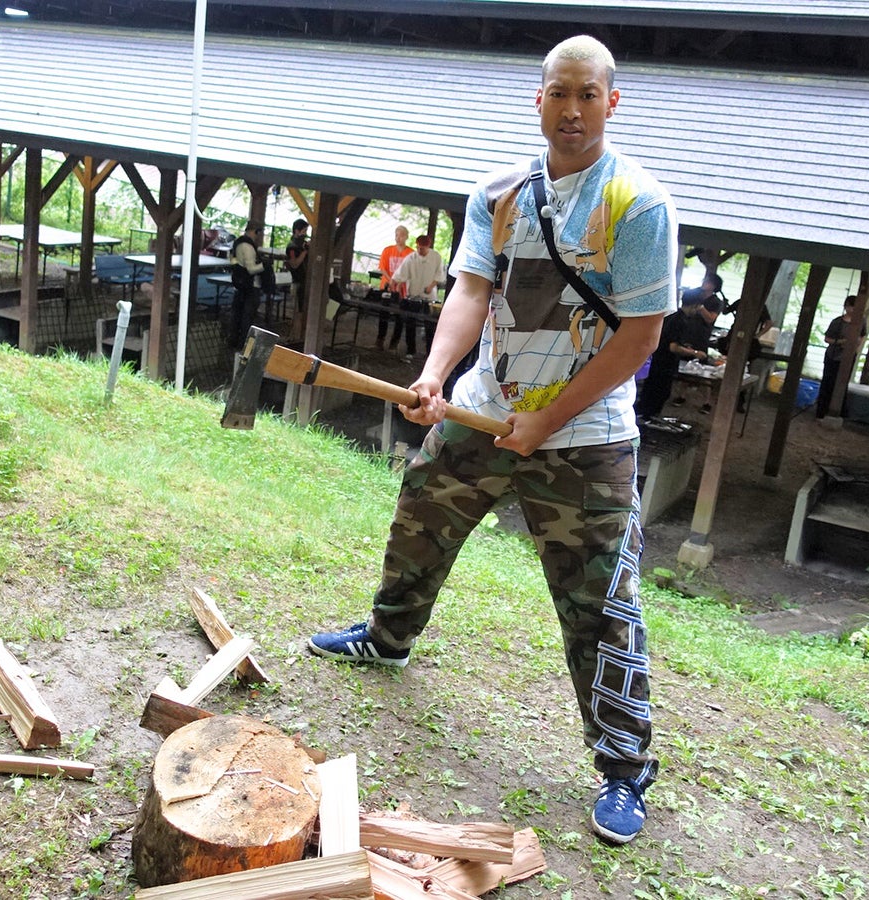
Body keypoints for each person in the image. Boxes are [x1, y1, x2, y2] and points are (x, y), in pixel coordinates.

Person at [308, 34, 675, 847]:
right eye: (558, 93)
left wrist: (548, 420)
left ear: (612, 103)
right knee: (420, 521)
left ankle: (623, 765)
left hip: (585, 436)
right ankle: (390, 636)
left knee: (602, 603)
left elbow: (640, 337)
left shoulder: (638, 204)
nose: (571, 110)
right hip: (483, 409)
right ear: (537, 98)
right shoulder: (499, 192)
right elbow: (472, 289)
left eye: (588, 95)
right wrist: (438, 374)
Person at [634, 287, 720, 420]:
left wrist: (685, 347)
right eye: (698, 307)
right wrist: (695, 353)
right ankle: (647, 421)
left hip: (656, 361)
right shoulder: (680, 321)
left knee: (650, 393)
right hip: (664, 363)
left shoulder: (672, 315)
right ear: (695, 306)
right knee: (658, 395)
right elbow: (673, 347)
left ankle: (646, 419)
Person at [384, 234, 445, 359]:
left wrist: (431, 285)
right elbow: (401, 273)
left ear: (428, 246)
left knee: (430, 326)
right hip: (414, 295)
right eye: (418, 248)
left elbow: (440, 275)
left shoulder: (436, 257)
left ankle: (430, 353)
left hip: (430, 297)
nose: (419, 251)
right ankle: (410, 350)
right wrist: (393, 282)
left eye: (422, 248)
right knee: (410, 323)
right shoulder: (411, 258)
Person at [816, 294, 863, 419]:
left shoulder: (861, 322)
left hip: (848, 357)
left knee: (842, 384)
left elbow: (862, 336)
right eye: (850, 306)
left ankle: (840, 412)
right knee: (828, 382)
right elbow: (827, 339)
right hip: (833, 355)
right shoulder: (837, 322)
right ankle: (821, 411)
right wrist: (842, 342)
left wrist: (856, 347)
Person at [226, 222, 265, 348]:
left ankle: (234, 340)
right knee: (247, 317)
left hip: (239, 285)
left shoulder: (237, 243)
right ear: (255, 232)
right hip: (250, 286)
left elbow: (233, 261)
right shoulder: (248, 246)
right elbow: (251, 269)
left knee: (238, 314)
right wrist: (264, 265)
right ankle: (244, 344)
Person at [375, 225, 414, 350]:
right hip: (387, 286)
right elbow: (383, 268)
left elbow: (410, 272)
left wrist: (400, 282)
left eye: (401, 235)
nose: (398, 238)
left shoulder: (410, 253)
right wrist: (391, 280)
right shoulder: (387, 250)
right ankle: (380, 339)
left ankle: (394, 342)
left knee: (400, 316)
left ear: (406, 237)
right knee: (383, 313)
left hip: (402, 289)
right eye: (397, 235)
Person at [285, 218, 310, 317]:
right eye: (304, 231)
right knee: (299, 311)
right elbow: (294, 264)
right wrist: (305, 252)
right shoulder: (291, 247)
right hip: (298, 281)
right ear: (297, 231)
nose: (305, 234)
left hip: (305, 280)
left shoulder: (301, 245)